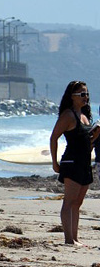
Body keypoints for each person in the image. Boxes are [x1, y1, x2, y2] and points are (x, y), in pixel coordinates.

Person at [49, 81, 99, 246]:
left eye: (87, 94)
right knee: (69, 201)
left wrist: (95, 135)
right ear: (72, 97)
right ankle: (68, 239)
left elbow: (87, 143)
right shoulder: (68, 115)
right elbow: (54, 137)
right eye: (82, 94)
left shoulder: (85, 116)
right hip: (71, 162)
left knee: (77, 202)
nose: (86, 97)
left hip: (84, 163)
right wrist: (54, 162)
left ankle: (75, 238)